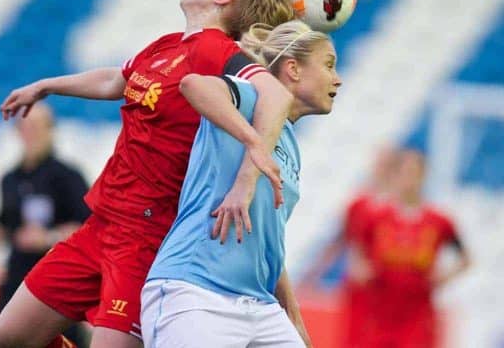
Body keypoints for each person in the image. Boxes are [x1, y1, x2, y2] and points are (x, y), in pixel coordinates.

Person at [0, 0, 295, 348]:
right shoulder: (167, 44)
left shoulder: (216, 51)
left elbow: (276, 93)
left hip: (146, 238)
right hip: (100, 226)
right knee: (10, 336)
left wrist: (251, 165)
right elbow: (114, 81)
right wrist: (46, 86)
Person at [141, 20, 342, 348]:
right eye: (329, 65)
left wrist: (293, 316)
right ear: (292, 68)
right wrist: (253, 143)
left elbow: (267, 241)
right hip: (198, 292)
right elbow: (193, 84)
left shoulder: (291, 146)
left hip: (258, 306)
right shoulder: (251, 97)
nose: (338, 78)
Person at [0, 103, 91, 347]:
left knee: (60, 340)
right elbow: (4, 223)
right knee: (4, 337)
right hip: (17, 274)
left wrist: (48, 237)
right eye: (25, 127)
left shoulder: (68, 176)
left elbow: (88, 227)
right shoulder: (9, 178)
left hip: (56, 275)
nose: (31, 133)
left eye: (37, 126)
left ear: (51, 130)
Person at [361, 149, 471, 348]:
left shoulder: (439, 221)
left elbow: (465, 258)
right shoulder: (377, 217)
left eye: (414, 173)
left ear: (424, 176)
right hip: (381, 312)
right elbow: (360, 249)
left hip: (418, 315)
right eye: (405, 173)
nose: (409, 180)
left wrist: (445, 276)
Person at [303, 147, 401, 347]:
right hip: (362, 288)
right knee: (357, 338)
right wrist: (313, 276)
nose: (380, 169)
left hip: (393, 287)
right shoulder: (359, 204)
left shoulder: (402, 208)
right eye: (379, 163)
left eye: (387, 164)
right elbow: (343, 241)